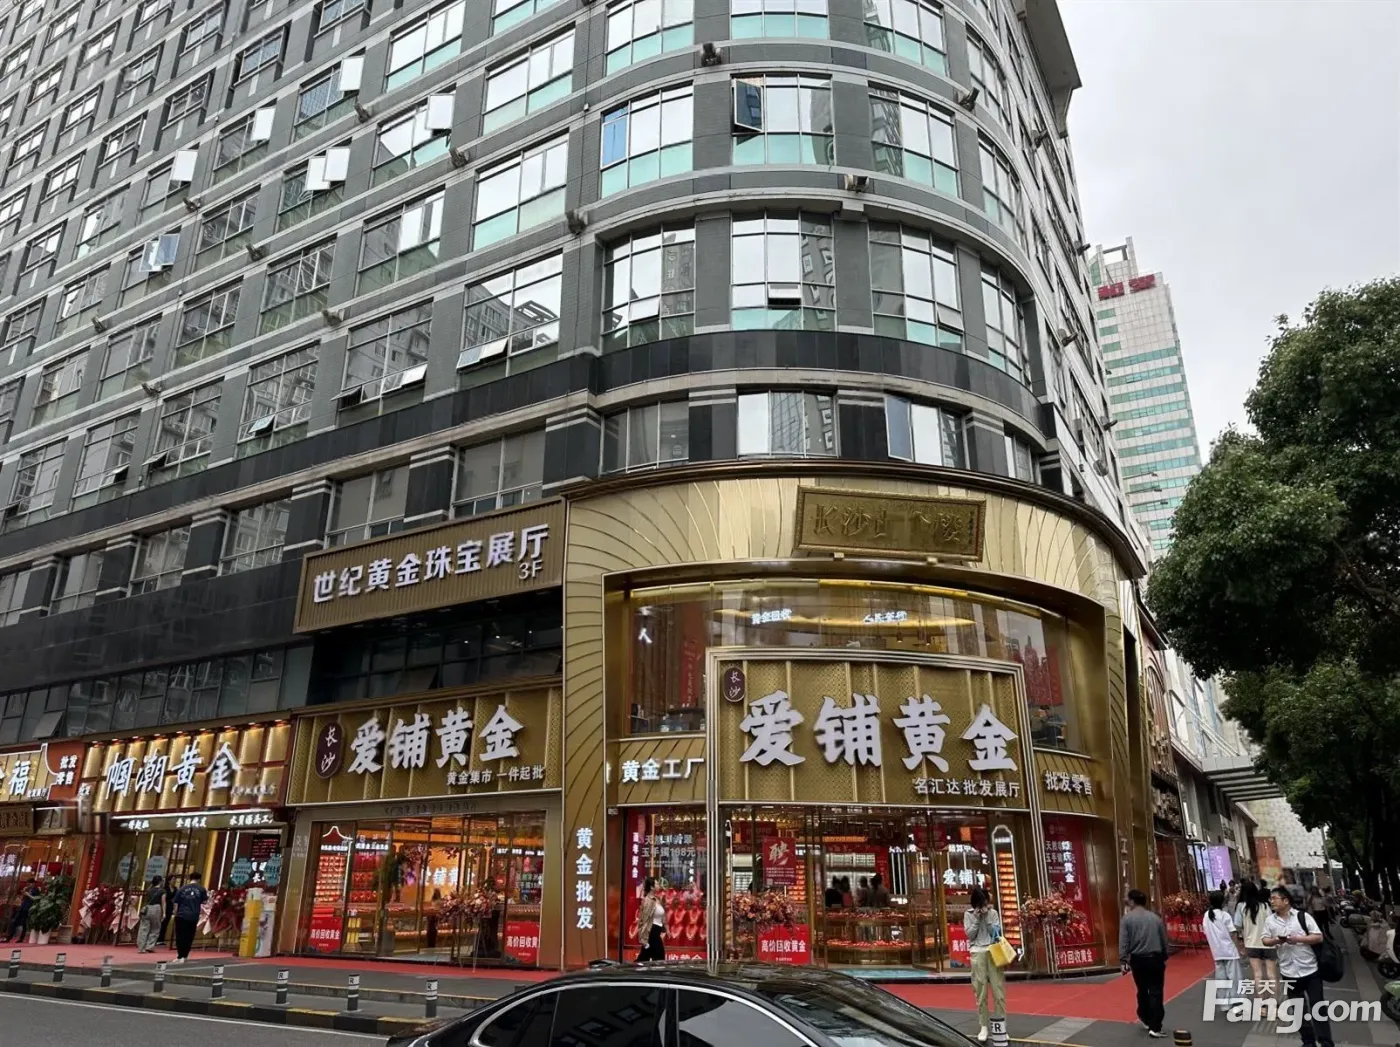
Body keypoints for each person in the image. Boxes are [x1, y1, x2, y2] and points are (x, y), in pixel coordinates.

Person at [1262, 886, 1333, 1047]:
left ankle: (1326, 1041)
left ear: (1286, 901)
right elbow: (1265, 940)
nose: (1271, 901)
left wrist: (1298, 939)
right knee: (1298, 1009)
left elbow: (1318, 937)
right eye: (1271, 899)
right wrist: (1276, 940)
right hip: (1288, 972)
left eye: (1274, 898)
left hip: (1310, 969)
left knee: (1317, 1006)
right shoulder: (1270, 921)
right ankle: (1308, 1041)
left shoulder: (1303, 916)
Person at [1119, 888, 1169, 1037]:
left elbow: (1124, 941)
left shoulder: (1127, 919)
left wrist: (1123, 960)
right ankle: (1156, 1026)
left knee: (1142, 989)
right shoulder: (1155, 918)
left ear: (1132, 902)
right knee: (1156, 991)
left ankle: (1144, 1016)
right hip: (1155, 958)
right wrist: (1164, 955)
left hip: (1138, 960)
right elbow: (1163, 939)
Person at [965, 886, 1006, 1042]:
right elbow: (970, 935)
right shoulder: (968, 914)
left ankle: (1001, 1025)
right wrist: (976, 918)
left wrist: (987, 916)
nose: (983, 906)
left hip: (993, 951)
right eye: (980, 903)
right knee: (980, 991)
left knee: (998, 991)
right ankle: (983, 1026)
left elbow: (995, 932)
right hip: (977, 952)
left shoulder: (993, 913)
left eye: (985, 903)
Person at [1235, 880, 1279, 994]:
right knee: (1272, 975)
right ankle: (1274, 1002)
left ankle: (1261, 1003)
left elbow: (1237, 925)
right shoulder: (1265, 906)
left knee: (1257, 975)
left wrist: (1241, 939)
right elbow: (1272, 923)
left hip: (1251, 943)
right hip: (1268, 943)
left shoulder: (1241, 907)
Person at [1204, 890, 1242, 1007]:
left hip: (1217, 951)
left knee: (1221, 978)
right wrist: (1238, 948)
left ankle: (1225, 1004)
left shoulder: (1206, 916)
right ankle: (1237, 1001)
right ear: (1223, 902)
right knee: (1234, 977)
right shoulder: (1224, 915)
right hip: (1229, 950)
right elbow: (1233, 933)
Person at [171, 872, 207, 964]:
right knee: (189, 936)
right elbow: (204, 902)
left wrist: (175, 913)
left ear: (190, 878)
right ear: (199, 879)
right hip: (193, 915)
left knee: (180, 936)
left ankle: (180, 955)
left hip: (181, 915)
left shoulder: (182, 888)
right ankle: (185, 955)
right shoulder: (201, 889)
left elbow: (176, 902)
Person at [635, 878, 665, 962]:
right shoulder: (647, 901)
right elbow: (643, 921)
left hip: (656, 931)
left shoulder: (656, 899)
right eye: (657, 884)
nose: (659, 885)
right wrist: (643, 940)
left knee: (644, 958)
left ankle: (633, 968)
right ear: (652, 887)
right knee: (659, 958)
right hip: (652, 932)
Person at [136, 876, 165, 953]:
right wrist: (164, 913)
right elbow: (163, 902)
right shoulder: (162, 891)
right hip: (156, 908)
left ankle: (141, 947)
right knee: (155, 928)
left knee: (144, 928)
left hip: (147, 909)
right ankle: (149, 946)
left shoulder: (149, 890)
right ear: (160, 882)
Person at [157, 876, 177, 946]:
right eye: (173, 879)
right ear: (169, 881)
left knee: (166, 923)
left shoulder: (175, 889)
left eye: (175, 879)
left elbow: (175, 898)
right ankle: (157, 939)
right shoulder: (165, 888)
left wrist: (174, 908)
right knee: (161, 923)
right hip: (164, 906)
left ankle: (161, 939)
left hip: (170, 907)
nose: (174, 881)